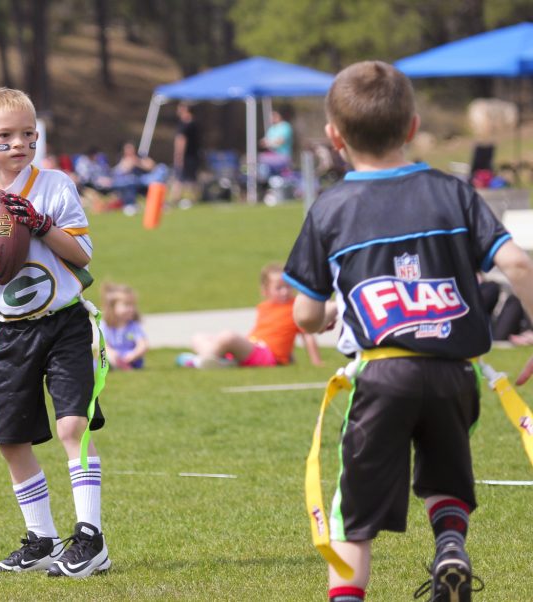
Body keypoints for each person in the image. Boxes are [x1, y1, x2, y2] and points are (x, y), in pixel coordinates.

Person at [284, 60, 533, 602]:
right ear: (413, 126)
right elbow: (517, 263)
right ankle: (448, 544)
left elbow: (303, 315)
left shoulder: (330, 208)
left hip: (382, 373)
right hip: (453, 373)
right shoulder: (453, 192)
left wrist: (326, 315)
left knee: (355, 516)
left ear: (333, 135)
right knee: (446, 476)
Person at [0, 87, 110, 578]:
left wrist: (40, 224)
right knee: (11, 438)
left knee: (71, 427)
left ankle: (91, 538)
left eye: (28, 134)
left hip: (63, 324)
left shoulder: (54, 185)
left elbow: (83, 256)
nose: (19, 143)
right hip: (8, 333)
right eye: (6, 136)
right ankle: (41, 539)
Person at [177, 262, 323, 369]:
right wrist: (290, 358)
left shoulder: (295, 307)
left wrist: (316, 361)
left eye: (288, 286)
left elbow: (307, 335)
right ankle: (216, 360)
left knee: (228, 336)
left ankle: (199, 361)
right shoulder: (264, 307)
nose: (284, 291)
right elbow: (276, 332)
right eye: (279, 288)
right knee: (198, 337)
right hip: (255, 345)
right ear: (265, 291)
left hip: (267, 355)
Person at [111, 141, 167, 216]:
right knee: (129, 186)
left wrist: (138, 162)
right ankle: (130, 205)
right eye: (127, 149)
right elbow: (119, 172)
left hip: (143, 182)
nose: (129, 151)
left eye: (131, 149)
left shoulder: (141, 157)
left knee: (153, 186)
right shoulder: (122, 160)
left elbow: (152, 166)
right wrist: (129, 165)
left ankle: (159, 205)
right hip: (129, 184)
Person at [101, 283, 148, 370]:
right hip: (112, 356)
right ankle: (114, 366)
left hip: (130, 358)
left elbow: (143, 344)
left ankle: (124, 366)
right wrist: (111, 354)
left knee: (138, 362)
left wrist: (133, 355)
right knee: (98, 362)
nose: (131, 309)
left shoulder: (133, 326)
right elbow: (103, 345)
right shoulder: (105, 325)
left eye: (132, 305)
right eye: (126, 305)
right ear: (112, 307)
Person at [173, 103, 201, 207]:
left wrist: (178, 156)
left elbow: (181, 140)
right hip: (194, 155)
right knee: (192, 178)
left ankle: (176, 199)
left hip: (187, 156)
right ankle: (195, 198)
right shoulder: (194, 123)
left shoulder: (185, 124)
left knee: (179, 178)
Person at [260, 108, 294, 176]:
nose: (272, 118)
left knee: (260, 159)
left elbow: (280, 141)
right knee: (258, 160)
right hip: (272, 154)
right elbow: (263, 143)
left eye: (274, 116)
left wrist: (269, 143)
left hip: (283, 156)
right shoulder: (272, 128)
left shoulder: (285, 126)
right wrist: (270, 142)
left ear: (279, 116)